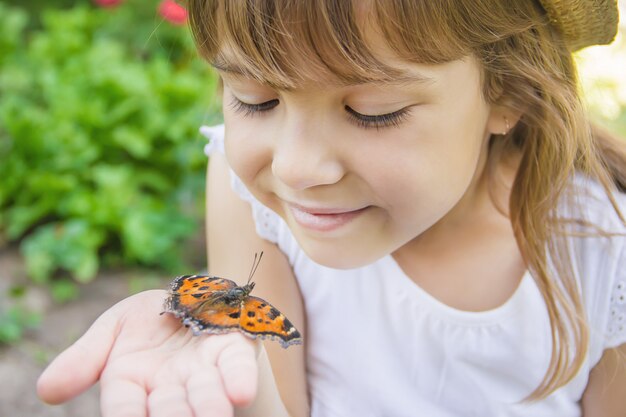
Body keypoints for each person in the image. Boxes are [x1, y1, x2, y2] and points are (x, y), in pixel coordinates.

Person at [37, 0, 626, 416]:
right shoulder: (252, 199)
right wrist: (231, 377)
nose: (295, 168)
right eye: (254, 100)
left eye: (372, 112)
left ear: (511, 93)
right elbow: (278, 403)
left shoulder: (606, 248)